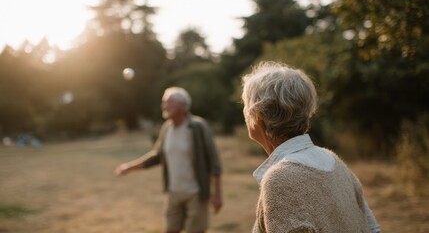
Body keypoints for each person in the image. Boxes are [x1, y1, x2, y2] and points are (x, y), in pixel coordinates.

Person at [240, 61, 381, 232]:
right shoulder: (333, 160)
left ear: (258, 116)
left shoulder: (280, 180)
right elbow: (372, 227)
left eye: (245, 106)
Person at [115, 87, 223, 233]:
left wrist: (217, 194)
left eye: (168, 102)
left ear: (181, 105)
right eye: (164, 102)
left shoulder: (198, 127)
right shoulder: (166, 128)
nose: (164, 105)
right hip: (173, 193)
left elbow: (214, 161)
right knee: (171, 229)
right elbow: (157, 156)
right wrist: (129, 167)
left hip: (196, 193)